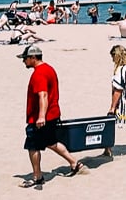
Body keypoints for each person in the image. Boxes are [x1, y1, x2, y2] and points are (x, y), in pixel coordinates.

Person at [18, 45, 86, 187]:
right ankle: (75, 163)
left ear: (33, 58)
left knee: (33, 146)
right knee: (51, 142)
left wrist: (41, 116)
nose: (23, 61)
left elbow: (43, 95)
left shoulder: (39, 73)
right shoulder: (49, 68)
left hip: (42, 117)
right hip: (53, 114)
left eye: (25, 59)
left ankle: (37, 176)